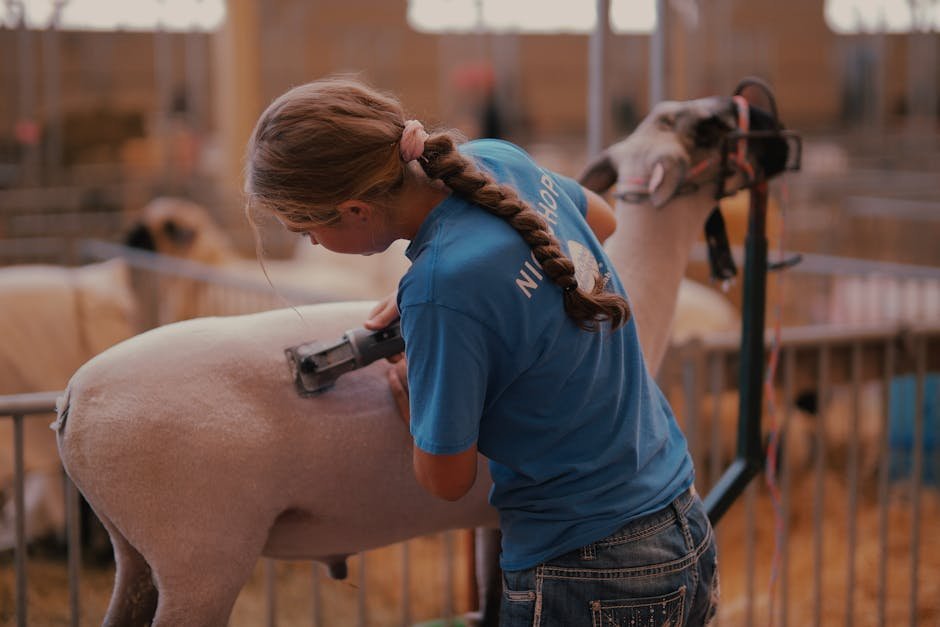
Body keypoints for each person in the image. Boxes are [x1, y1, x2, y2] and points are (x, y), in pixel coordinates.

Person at [244, 76, 718, 626]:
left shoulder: (442, 290)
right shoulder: (492, 159)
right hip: (679, 513)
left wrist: (428, 363)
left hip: (587, 568)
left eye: (307, 230)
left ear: (354, 210)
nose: (313, 244)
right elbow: (602, 222)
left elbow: (446, 480)